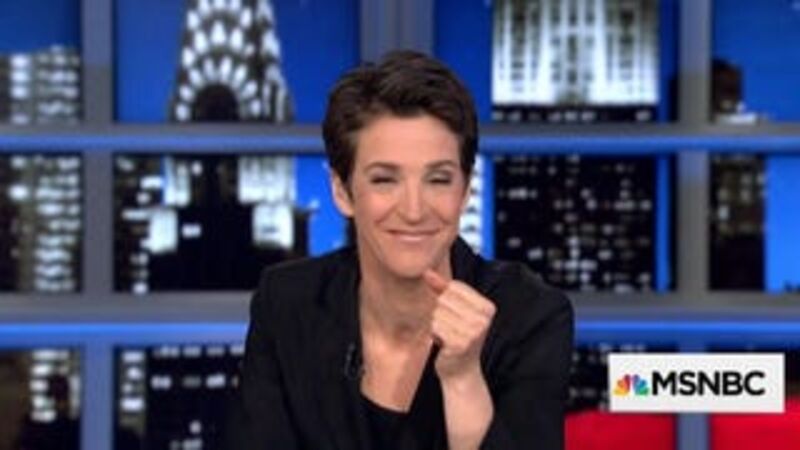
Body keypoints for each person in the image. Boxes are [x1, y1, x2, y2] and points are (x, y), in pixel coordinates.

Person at [239, 50, 573, 449]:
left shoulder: (530, 317)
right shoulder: (287, 304)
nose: (414, 211)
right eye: (384, 180)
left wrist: (463, 380)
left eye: (438, 180)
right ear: (342, 191)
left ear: (465, 191)